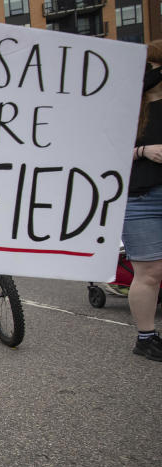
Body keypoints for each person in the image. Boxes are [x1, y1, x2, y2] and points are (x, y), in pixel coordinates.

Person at [124, 47, 162, 362]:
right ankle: (146, 337)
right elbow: (98, 150)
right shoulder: (125, 108)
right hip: (140, 197)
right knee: (149, 270)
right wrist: (142, 151)